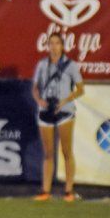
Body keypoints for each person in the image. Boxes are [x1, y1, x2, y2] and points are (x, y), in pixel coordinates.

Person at [32, 32, 84, 202]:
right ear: (47, 46)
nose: (53, 47)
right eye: (51, 43)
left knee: (66, 151)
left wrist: (65, 100)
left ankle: (68, 190)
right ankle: (45, 190)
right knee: (48, 153)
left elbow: (80, 89)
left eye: (57, 43)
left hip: (65, 111)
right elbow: (35, 88)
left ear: (62, 46)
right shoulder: (42, 65)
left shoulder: (70, 65)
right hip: (46, 111)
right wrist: (40, 100)